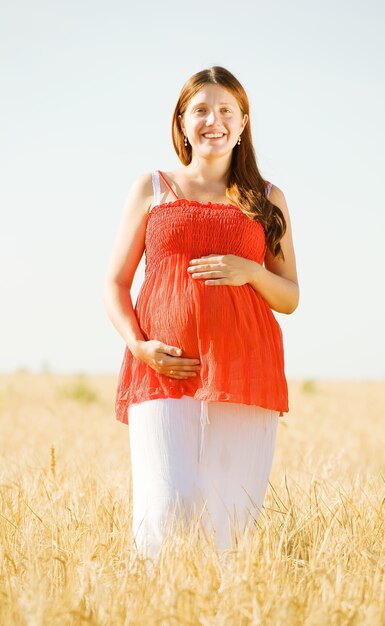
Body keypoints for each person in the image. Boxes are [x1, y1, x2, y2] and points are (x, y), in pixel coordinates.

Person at [103, 66, 299, 560]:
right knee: (164, 508)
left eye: (225, 110)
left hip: (244, 371)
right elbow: (115, 283)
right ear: (183, 121)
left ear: (243, 121)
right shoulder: (152, 188)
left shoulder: (267, 199)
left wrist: (249, 271)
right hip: (163, 370)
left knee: (229, 519)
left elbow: (290, 297)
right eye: (201, 110)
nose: (214, 120)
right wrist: (139, 346)